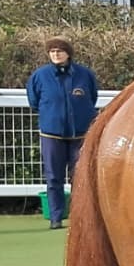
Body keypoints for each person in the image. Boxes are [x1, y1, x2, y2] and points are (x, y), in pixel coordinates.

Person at [26, 36, 99, 230]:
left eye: (59, 51)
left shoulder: (84, 75)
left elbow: (92, 97)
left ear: (68, 53)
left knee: (81, 177)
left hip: (80, 135)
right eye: (52, 52)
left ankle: (80, 218)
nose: (56, 55)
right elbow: (34, 101)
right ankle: (56, 217)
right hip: (52, 135)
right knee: (53, 177)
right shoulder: (39, 76)